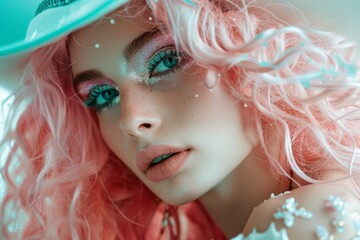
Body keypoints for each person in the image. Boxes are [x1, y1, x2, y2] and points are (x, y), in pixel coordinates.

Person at [1, 0, 360, 239]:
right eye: (102, 96)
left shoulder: (311, 219)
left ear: (249, 44)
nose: (131, 120)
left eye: (167, 61)